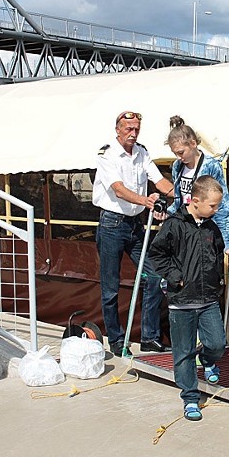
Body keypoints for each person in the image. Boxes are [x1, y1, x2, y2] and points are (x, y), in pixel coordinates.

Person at [92, 110, 175, 356]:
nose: (133, 133)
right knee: (111, 286)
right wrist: (146, 201)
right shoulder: (107, 155)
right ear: (117, 129)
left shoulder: (142, 152)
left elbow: (159, 181)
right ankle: (117, 339)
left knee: (152, 276)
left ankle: (149, 336)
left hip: (135, 224)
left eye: (136, 129)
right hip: (111, 225)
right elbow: (118, 190)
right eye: (128, 128)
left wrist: (185, 196)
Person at [148, 176, 227, 421]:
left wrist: (219, 278)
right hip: (181, 300)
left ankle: (208, 360)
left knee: (217, 343)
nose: (216, 210)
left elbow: (218, 251)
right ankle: (190, 398)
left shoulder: (211, 227)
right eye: (212, 205)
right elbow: (156, 254)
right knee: (183, 352)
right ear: (195, 201)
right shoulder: (174, 225)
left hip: (208, 298)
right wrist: (175, 277)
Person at [166, 115, 229, 256]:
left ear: (193, 144)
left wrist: (227, 241)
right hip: (183, 227)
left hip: (205, 229)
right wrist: (166, 213)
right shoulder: (177, 166)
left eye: (181, 152)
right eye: (175, 153)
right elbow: (179, 200)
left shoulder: (211, 166)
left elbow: (222, 205)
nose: (179, 157)